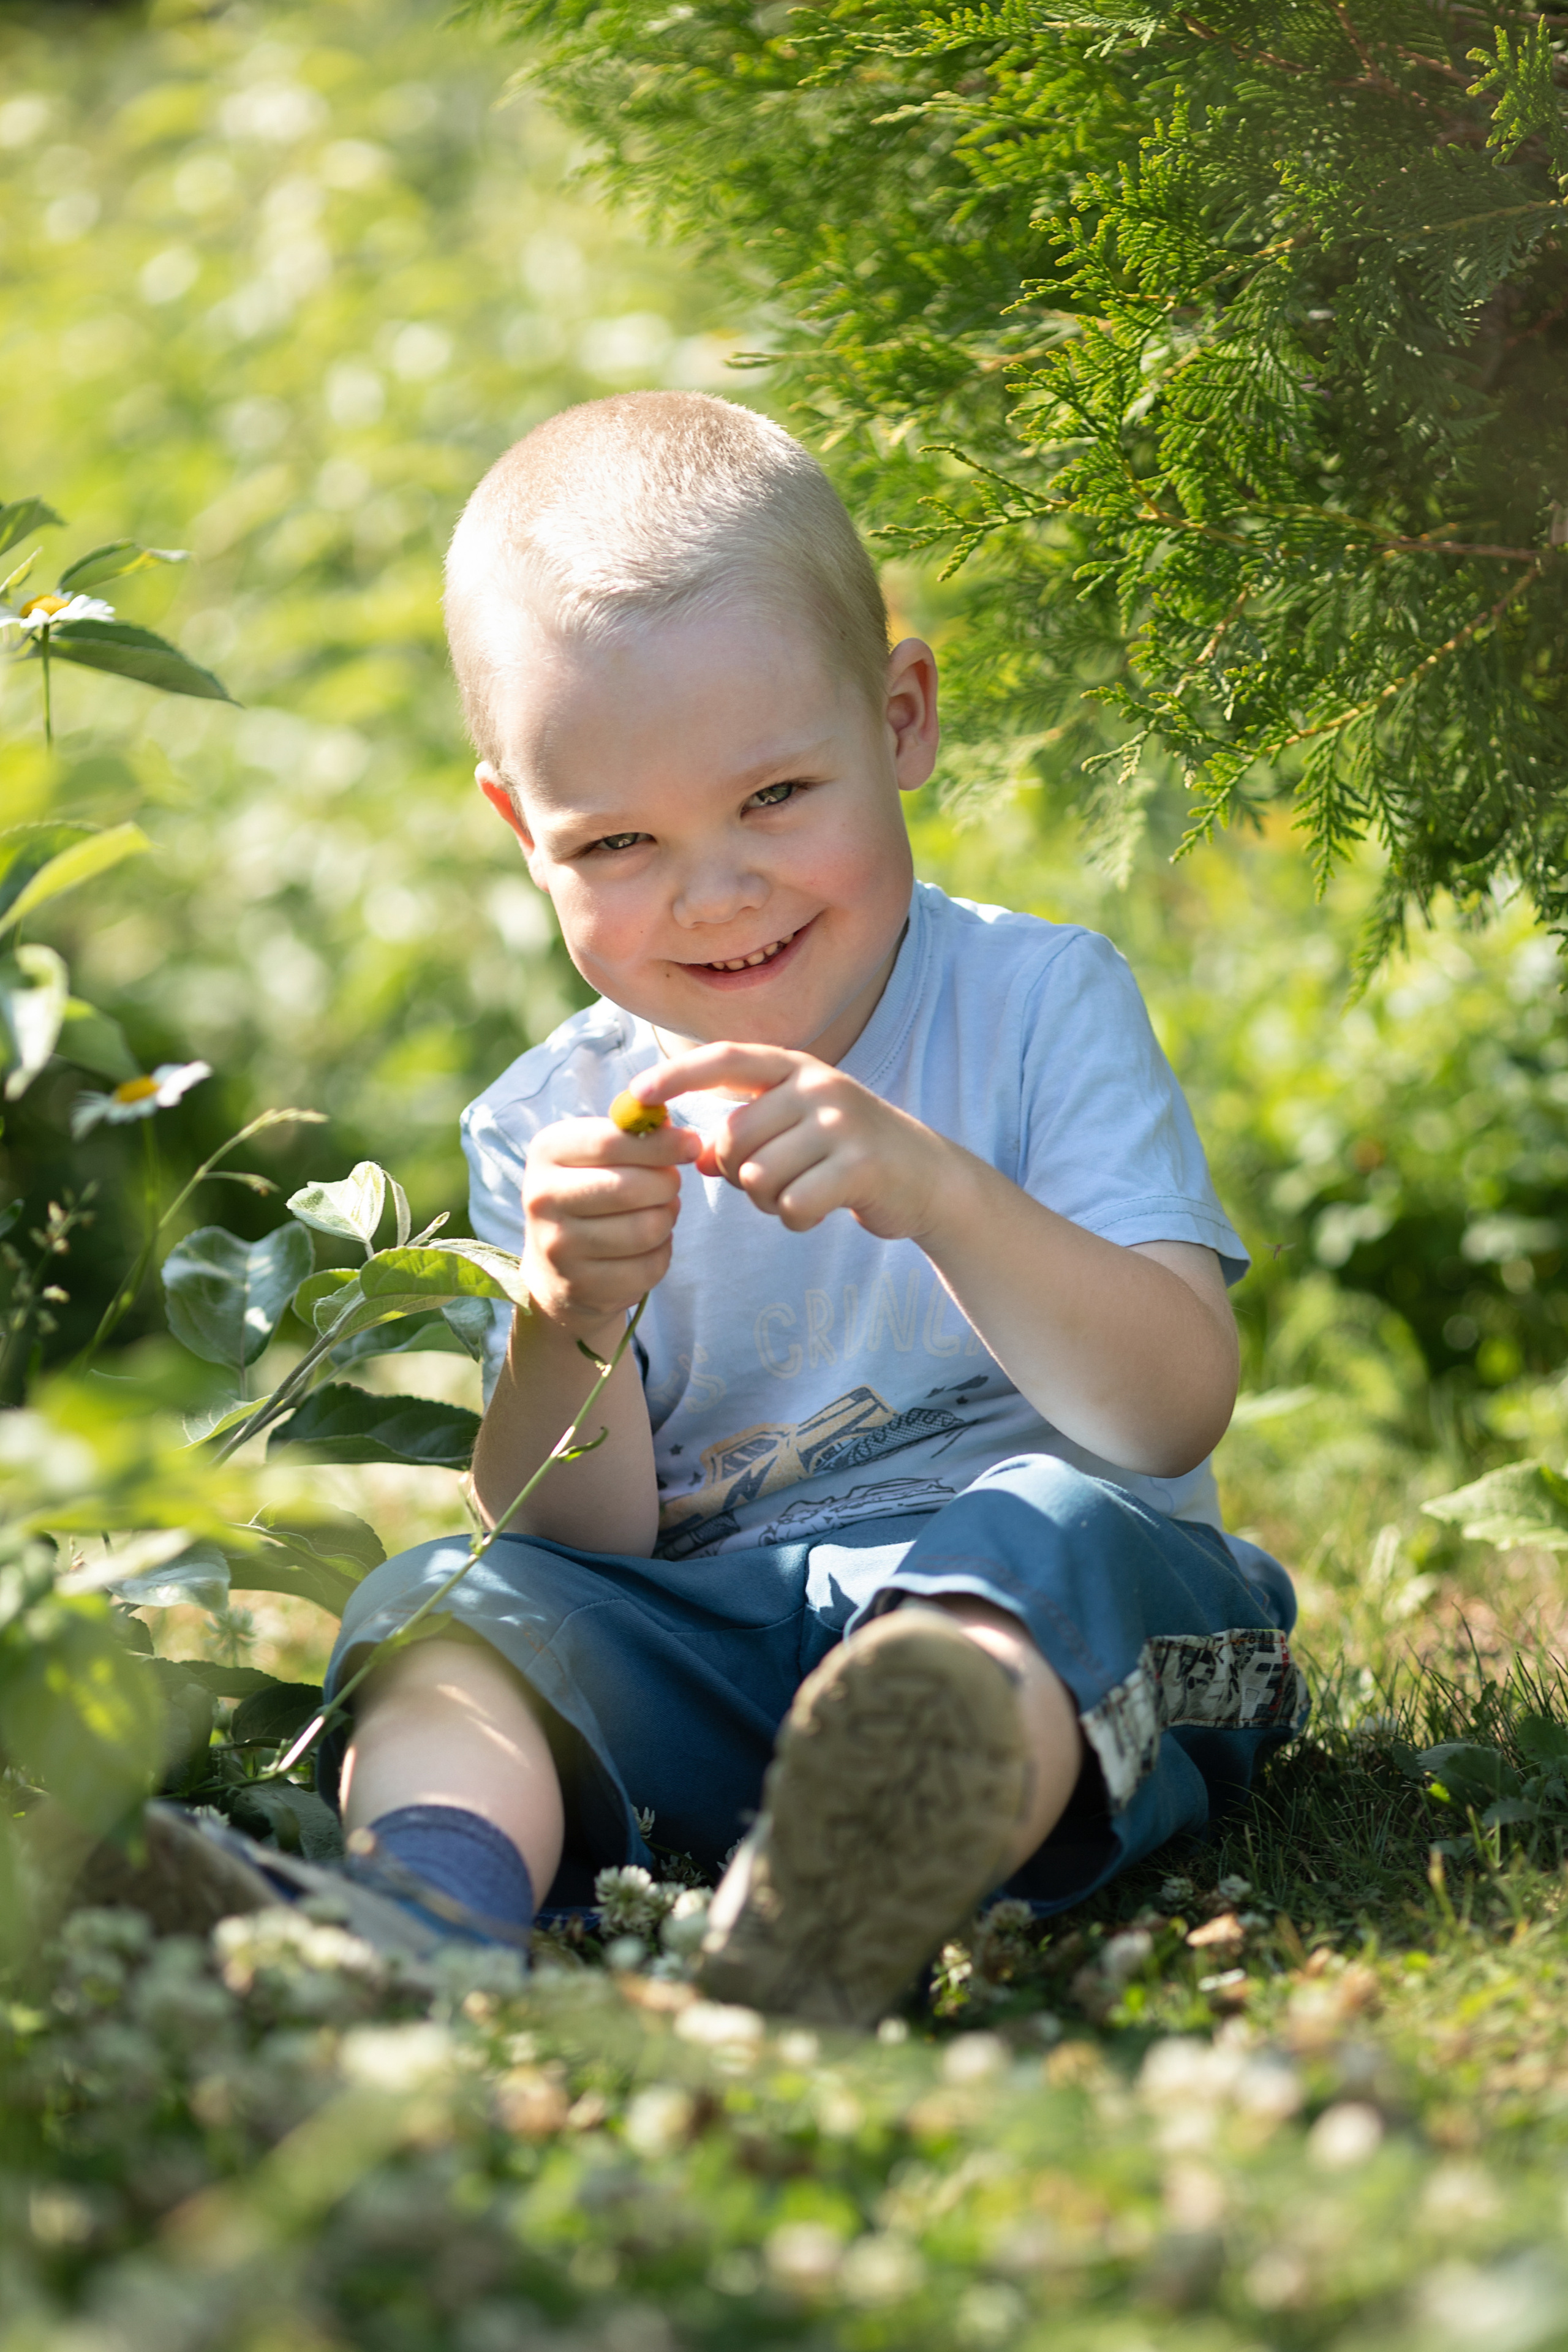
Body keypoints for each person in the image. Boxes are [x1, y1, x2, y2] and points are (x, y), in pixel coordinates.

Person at [204, 391, 1306, 2021]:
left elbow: (1165, 1411)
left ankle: (852, 1879)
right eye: (623, 842)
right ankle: (418, 1919)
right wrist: (568, 1321)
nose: (717, 893)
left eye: (777, 797)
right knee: (442, 1607)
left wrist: (941, 1193)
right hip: (732, 1646)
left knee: (1046, 1540)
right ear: (522, 832)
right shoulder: (552, 1122)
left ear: (903, 717)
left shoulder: (1035, 1001)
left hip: (1086, 1636)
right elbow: (583, 1546)